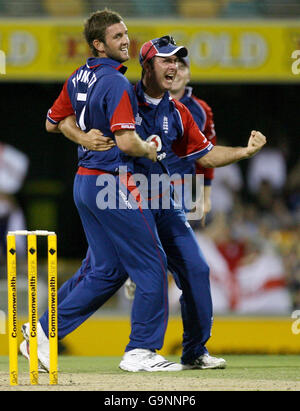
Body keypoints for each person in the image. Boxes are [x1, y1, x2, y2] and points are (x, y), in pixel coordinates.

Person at [22, 12, 266, 373]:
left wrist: (244, 153)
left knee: (194, 268)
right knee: (137, 268)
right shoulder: (121, 92)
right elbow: (65, 121)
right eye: (166, 60)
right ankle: (139, 349)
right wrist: (87, 138)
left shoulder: (180, 112)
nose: (174, 67)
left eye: (178, 61)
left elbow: (206, 154)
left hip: (159, 198)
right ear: (147, 66)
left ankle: (194, 350)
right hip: (118, 189)